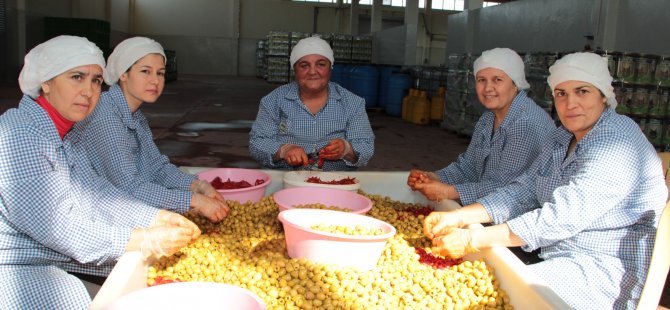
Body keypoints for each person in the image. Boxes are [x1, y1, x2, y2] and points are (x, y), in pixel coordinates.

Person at [422, 52, 667, 309]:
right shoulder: (562, 137)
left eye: (582, 91)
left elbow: (560, 217)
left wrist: (471, 239)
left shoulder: (617, 142)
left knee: (502, 294)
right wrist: (460, 217)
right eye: (561, 93)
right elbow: (524, 190)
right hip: (560, 255)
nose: (570, 103)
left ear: (604, 95)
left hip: (604, 269)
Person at [0, 35, 201, 309]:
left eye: (95, 80)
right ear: (46, 82)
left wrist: (156, 217)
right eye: (77, 77)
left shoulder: (66, 135)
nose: (89, 91)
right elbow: (60, 229)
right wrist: (144, 238)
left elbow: (95, 194)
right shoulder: (20, 137)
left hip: (45, 252)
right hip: (13, 262)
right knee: (70, 296)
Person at [72, 37, 228, 222]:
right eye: (145, 71)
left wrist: (197, 186)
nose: (155, 80)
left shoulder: (135, 117)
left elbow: (156, 168)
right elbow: (129, 187)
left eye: (160, 73)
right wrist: (193, 201)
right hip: (96, 218)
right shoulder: (105, 116)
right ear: (123, 74)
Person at [407, 47, 555, 207]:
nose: (488, 88)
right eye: (481, 80)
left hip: (519, 221)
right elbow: (469, 166)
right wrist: (436, 177)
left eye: (497, 80)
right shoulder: (488, 118)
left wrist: (447, 191)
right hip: (489, 211)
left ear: (515, 83)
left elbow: (506, 189)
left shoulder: (526, 124)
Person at [249, 36, 375, 171]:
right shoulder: (273, 101)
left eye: (321, 64)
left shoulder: (353, 103)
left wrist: (346, 149)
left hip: (335, 180)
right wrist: (284, 150)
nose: (313, 71)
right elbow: (257, 143)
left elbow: (366, 146)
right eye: (304, 65)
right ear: (294, 69)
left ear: (330, 67)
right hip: (285, 177)